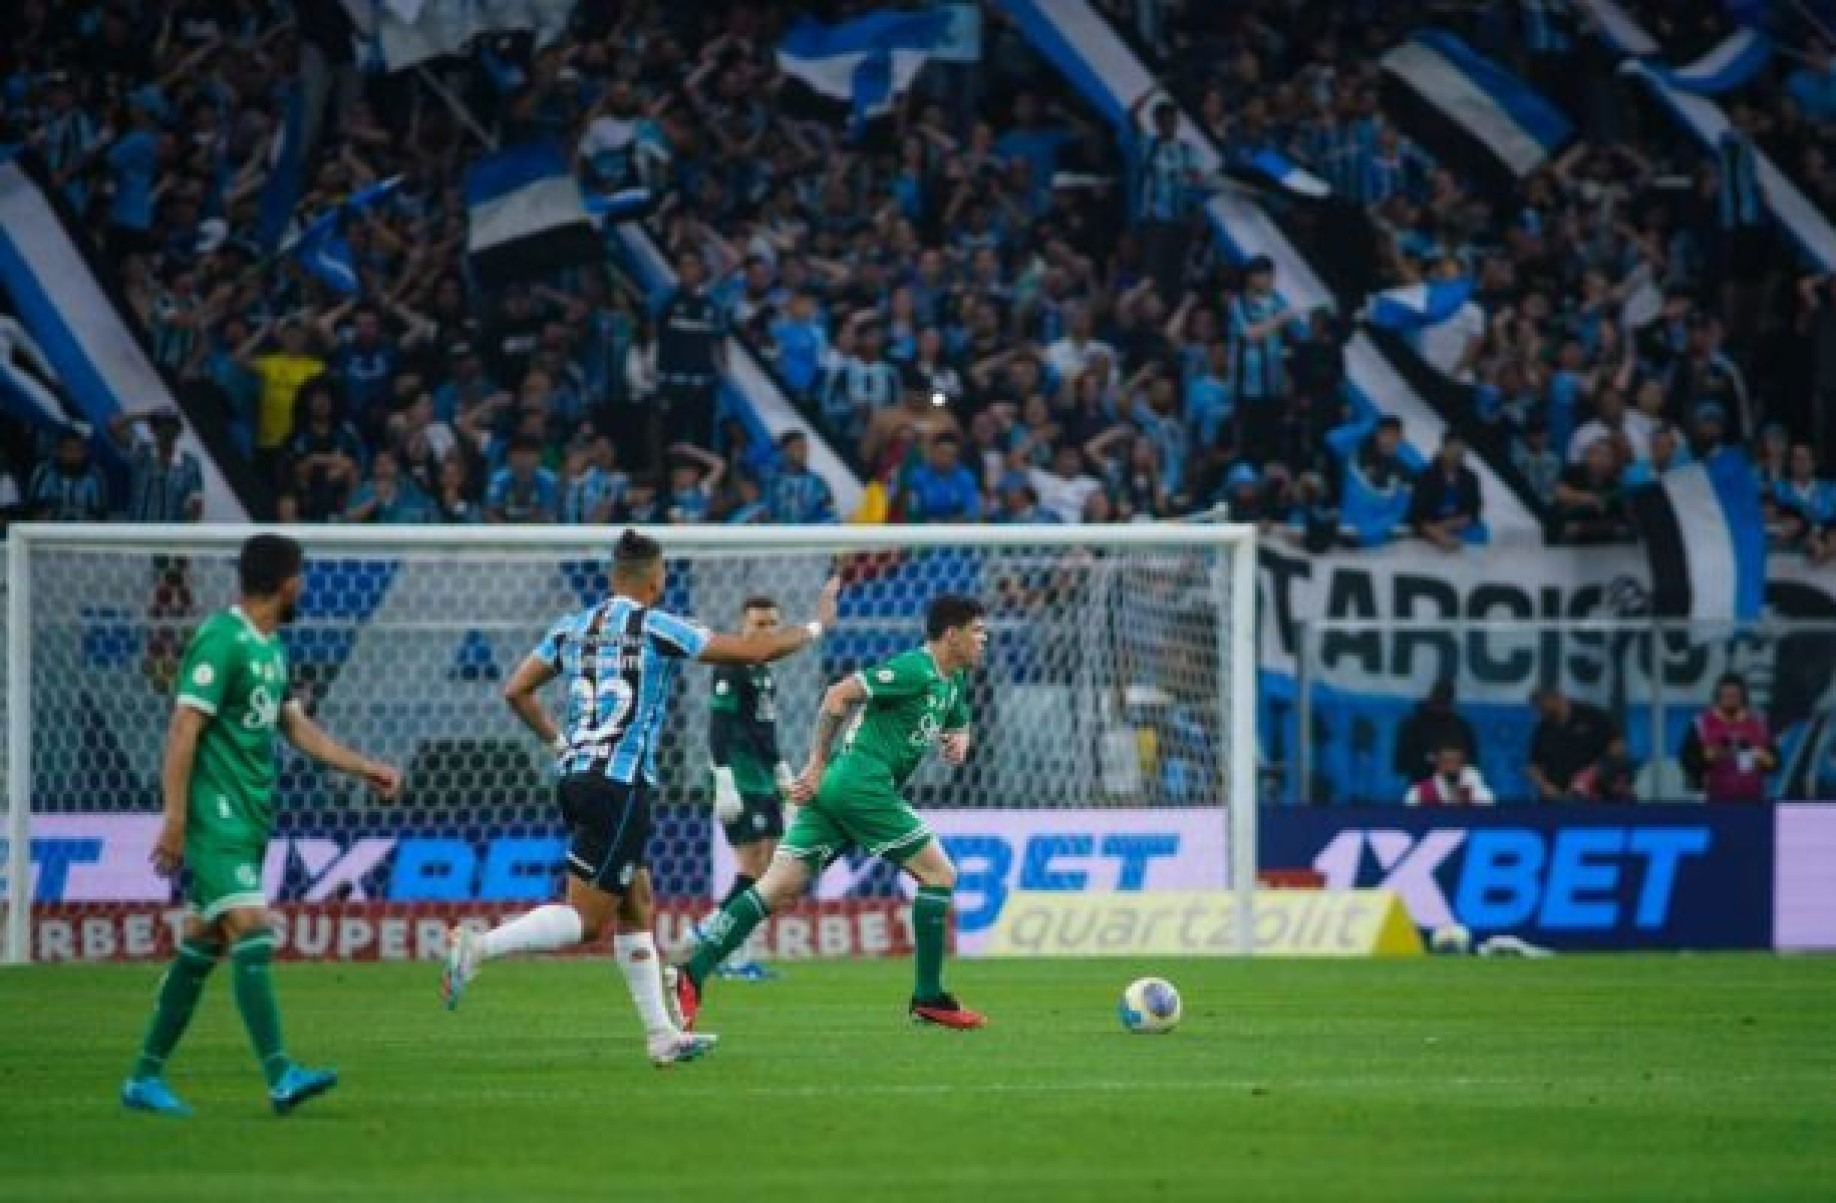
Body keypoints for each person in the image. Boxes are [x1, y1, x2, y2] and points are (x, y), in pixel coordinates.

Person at [441, 531, 840, 1066]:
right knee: (587, 921)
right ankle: (478, 947)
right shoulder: (658, 626)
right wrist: (817, 625)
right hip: (621, 785)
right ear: (657, 578)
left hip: (578, 779)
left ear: (612, 577)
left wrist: (560, 742)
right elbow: (756, 650)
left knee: (638, 901)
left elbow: (515, 690)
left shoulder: (572, 628)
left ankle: (662, 1036)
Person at [121, 534, 402, 1117]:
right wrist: (174, 818)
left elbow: (300, 732)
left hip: (251, 815)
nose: (305, 587)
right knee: (252, 927)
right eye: (301, 576)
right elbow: (183, 729)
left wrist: (365, 767)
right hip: (214, 814)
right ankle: (280, 1075)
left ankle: (143, 1078)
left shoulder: (271, 649)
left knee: (201, 942)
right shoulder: (220, 640)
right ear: (286, 581)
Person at [675, 594, 990, 1032]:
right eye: (976, 630)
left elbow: (958, 718)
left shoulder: (948, 681)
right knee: (940, 876)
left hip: (841, 792)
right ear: (951, 634)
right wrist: (817, 762)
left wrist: (961, 738)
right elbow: (838, 694)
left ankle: (692, 972)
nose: (984, 638)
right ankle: (929, 996)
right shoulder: (913, 668)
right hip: (861, 785)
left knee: (777, 887)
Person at [704, 596, 798, 981]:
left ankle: (723, 937)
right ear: (743, 625)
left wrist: (780, 770)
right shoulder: (731, 664)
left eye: (772, 624)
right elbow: (718, 726)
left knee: (769, 867)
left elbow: (764, 731)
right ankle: (726, 945)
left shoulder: (765, 672)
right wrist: (723, 777)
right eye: (758, 624)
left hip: (762, 776)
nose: (766, 631)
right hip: (740, 778)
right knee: (753, 866)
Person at [1679, 673, 1776, 804]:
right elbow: (1688, 760)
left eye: (1734, 696)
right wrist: (1707, 758)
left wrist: (1760, 756)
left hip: (1754, 802)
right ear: (1718, 697)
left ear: (1743, 697)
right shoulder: (1701, 724)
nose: (1730, 700)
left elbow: (1774, 762)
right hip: (1713, 801)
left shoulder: (1758, 723)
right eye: (1726, 696)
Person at [109, 407, 205, 522]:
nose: (166, 431)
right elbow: (114, 426)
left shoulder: (190, 463)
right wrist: (148, 415)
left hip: (169, 536)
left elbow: (196, 505)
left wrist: (186, 535)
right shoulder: (141, 452)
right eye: (160, 426)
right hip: (137, 533)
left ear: (178, 430)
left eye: (171, 426)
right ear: (152, 429)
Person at [1525, 686, 1618, 802]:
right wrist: (1545, 786)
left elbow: (1617, 747)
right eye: (1538, 708)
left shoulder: (1591, 716)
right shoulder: (1543, 729)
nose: (1541, 711)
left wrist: (1593, 772)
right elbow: (1533, 766)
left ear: (1556, 698)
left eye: (1543, 706)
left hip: (1593, 796)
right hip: (1557, 798)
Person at [1392, 679, 1477, 785]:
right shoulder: (1412, 725)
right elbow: (1400, 763)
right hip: (1421, 786)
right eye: (1437, 702)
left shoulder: (1461, 728)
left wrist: (1452, 764)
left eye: (1444, 703)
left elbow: (1472, 762)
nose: (1440, 707)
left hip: (1453, 790)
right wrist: (1431, 761)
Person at [27, 425, 109, 520]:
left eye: (78, 450)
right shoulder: (44, 472)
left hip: (85, 531)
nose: (73, 455)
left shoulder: (95, 475)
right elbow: (34, 508)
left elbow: (100, 514)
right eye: (69, 450)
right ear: (58, 451)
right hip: (49, 531)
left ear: (86, 452)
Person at [1404, 744, 1495, 805]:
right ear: (1437, 762)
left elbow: (1490, 810)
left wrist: (1474, 785)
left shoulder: (1472, 787)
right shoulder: (1418, 792)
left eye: (1456, 761)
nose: (1451, 766)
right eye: (1447, 761)